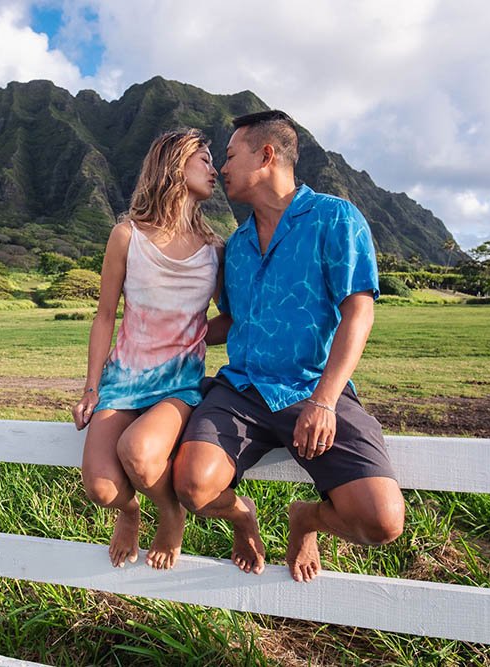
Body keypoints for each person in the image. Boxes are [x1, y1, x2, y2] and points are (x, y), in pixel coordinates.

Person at [172, 110, 405, 582]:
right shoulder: (235, 245)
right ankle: (243, 517)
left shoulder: (335, 217)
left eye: (231, 156)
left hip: (314, 388)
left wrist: (324, 401)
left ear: (267, 155)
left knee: (382, 520)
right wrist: (172, 333)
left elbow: (358, 311)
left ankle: (307, 518)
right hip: (241, 390)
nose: (222, 169)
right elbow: (232, 321)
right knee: (193, 486)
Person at [73, 129, 222, 570]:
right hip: (124, 379)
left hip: (179, 385)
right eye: (205, 160)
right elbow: (104, 316)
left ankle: (169, 512)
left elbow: (231, 321)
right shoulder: (126, 235)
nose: (214, 170)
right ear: (176, 166)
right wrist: (91, 387)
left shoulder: (216, 251)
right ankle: (130, 511)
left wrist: (191, 335)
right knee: (100, 489)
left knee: (138, 451)